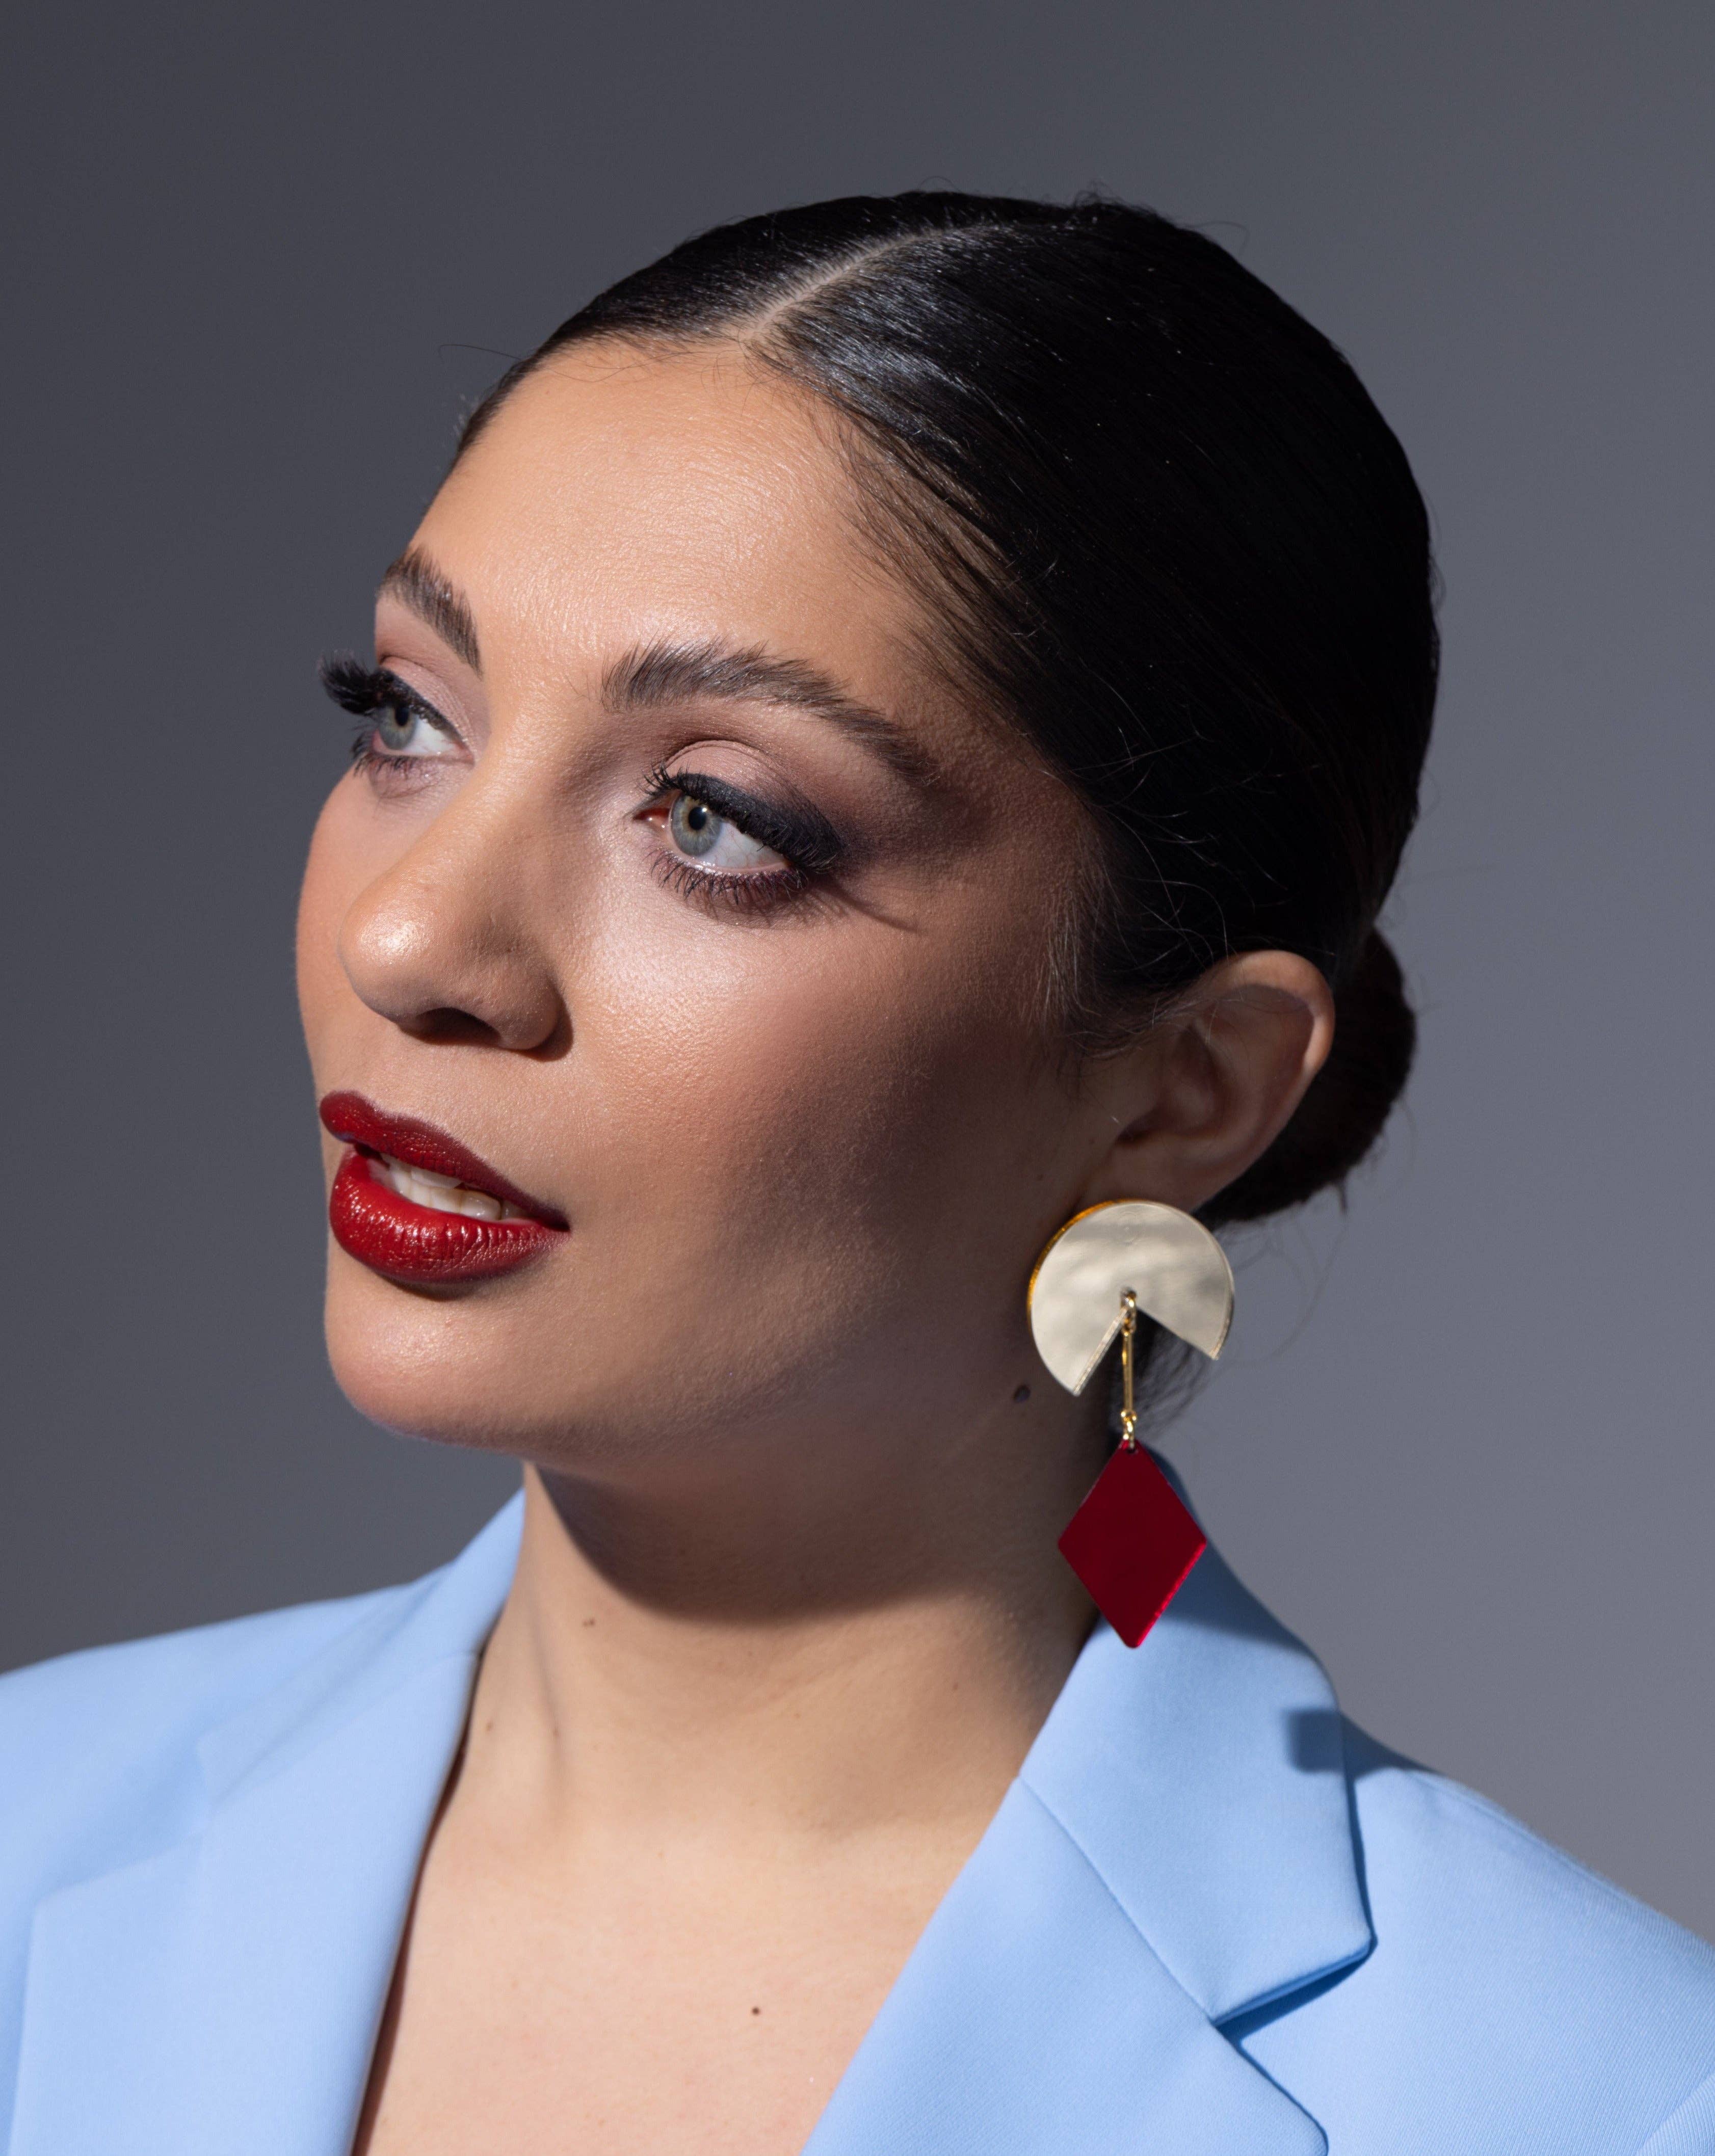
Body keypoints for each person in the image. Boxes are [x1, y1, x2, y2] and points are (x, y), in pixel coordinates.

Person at [2, 191, 1710, 2156]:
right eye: (410, 718)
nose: (412, 942)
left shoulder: (1603, 2101)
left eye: (715, 822)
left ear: (1184, 1091)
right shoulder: (30, 1827)